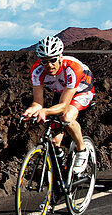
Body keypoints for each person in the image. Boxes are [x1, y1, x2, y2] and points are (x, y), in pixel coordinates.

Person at [21, 35, 95, 173]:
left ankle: (82, 150)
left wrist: (45, 111)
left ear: (60, 56)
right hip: (61, 90)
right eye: (44, 61)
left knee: (66, 117)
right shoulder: (37, 71)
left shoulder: (72, 69)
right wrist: (31, 110)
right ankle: (62, 171)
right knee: (54, 142)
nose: (49, 65)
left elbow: (64, 105)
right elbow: (38, 102)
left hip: (81, 89)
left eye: (53, 60)